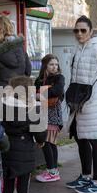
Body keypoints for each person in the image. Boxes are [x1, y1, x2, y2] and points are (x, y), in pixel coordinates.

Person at [66, 15, 97, 193]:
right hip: (81, 103)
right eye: (76, 30)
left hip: (94, 103)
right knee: (81, 138)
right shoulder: (78, 49)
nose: (79, 34)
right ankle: (86, 176)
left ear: (91, 32)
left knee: (96, 140)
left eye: (83, 30)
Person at [1, 76, 47, 193]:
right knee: (22, 190)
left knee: (7, 189)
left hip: (6, 152)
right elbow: (40, 131)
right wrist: (41, 141)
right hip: (25, 152)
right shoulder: (31, 108)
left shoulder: (3, 107)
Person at [34, 54, 65, 183]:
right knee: (48, 143)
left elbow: (57, 91)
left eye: (56, 64)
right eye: (51, 64)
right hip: (42, 113)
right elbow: (33, 92)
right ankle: (53, 170)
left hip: (53, 115)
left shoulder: (59, 78)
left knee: (48, 143)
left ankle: (52, 171)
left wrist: (39, 94)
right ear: (45, 65)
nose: (54, 67)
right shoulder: (40, 79)